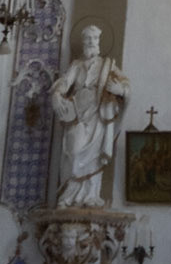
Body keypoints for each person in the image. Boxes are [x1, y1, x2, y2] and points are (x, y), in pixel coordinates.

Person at [50, 24, 130, 206]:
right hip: (77, 114)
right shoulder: (76, 65)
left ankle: (90, 195)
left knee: (94, 157)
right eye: (87, 38)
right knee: (73, 150)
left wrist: (120, 90)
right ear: (83, 42)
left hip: (98, 116)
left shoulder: (107, 65)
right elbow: (64, 82)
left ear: (98, 41)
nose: (90, 42)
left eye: (94, 38)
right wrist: (56, 95)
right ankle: (69, 196)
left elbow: (126, 84)